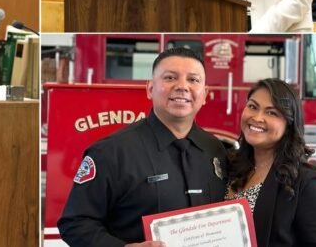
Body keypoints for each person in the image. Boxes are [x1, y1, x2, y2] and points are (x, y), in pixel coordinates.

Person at [58, 47, 227, 247]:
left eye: (193, 80)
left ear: (205, 94)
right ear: (150, 89)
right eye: (170, 78)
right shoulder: (111, 152)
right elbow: (75, 224)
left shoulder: (215, 149)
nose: (182, 86)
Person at [225, 78, 316, 246]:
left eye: (272, 113)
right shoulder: (228, 164)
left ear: (289, 125)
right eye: (253, 106)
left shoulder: (306, 182)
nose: (257, 117)